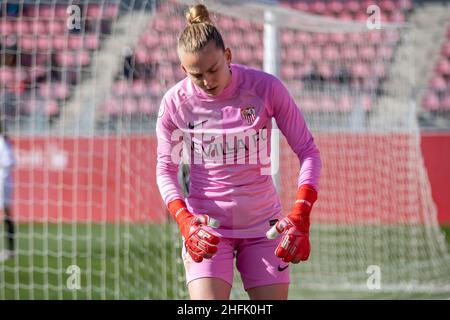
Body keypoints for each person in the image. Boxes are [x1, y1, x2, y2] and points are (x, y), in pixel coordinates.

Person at [156, 4, 321, 300]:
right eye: (196, 75)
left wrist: (302, 212)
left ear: (228, 56)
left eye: (213, 69)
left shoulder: (265, 89)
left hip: (264, 229)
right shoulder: (175, 104)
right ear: (183, 70)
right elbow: (165, 169)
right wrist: (184, 221)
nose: (207, 82)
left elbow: (307, 150)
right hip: (206, 230)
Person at [0, 122, 15, 262]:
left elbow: (9, 162)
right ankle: (10, 250)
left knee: (7, 213)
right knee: (7, 213)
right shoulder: (5, 141)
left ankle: (10, 250)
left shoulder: (3, 142)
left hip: (2, 181)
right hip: (5, 181)